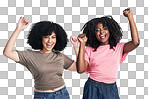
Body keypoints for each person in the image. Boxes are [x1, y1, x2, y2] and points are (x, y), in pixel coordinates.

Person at [70, 8, 140, 99]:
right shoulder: (90, 50)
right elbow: (81, 69)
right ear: (94, 33)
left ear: (110, 31)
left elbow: (136, 42)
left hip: (111, 88)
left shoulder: (118, 47)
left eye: (105, 28)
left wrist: (130, 17)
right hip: (92, 87)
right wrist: (82, 45)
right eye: (97, 30)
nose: (101, 32)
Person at [3, 17, 77, 99]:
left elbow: (79, 68)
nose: (50, 41)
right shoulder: (30, 56)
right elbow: (7, 52)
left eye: (53, 37)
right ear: (40, 38)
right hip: (42, 96)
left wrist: (76, 47)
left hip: (62, 94)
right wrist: (18, 29)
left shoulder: (60, 56)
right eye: (46, 37)